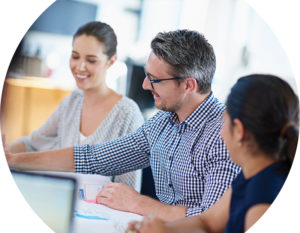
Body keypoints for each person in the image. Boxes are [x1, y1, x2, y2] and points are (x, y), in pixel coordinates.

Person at [5, 29, 240, 221]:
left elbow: (213, 220)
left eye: (155, 80)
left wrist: (139, 203)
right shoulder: (162, 122)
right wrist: (14, 161)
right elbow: (93, 157)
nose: (146, 86)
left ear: (189, 85)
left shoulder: (225, 135)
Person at [126, 74, 299, 233]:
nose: (221, 133)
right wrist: (164, 229)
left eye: (224, 122)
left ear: (238, 130)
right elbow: (208, 221)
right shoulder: (251, 175)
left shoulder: (264, 200)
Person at [4, 21, 144, 190]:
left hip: (100, 213)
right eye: (75, 56)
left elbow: (129, 190)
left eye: (91, 60)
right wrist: (7, 150)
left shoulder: (128, 113)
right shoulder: (72, 101)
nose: (80, 67)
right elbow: (33, 143)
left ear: (111, 61)